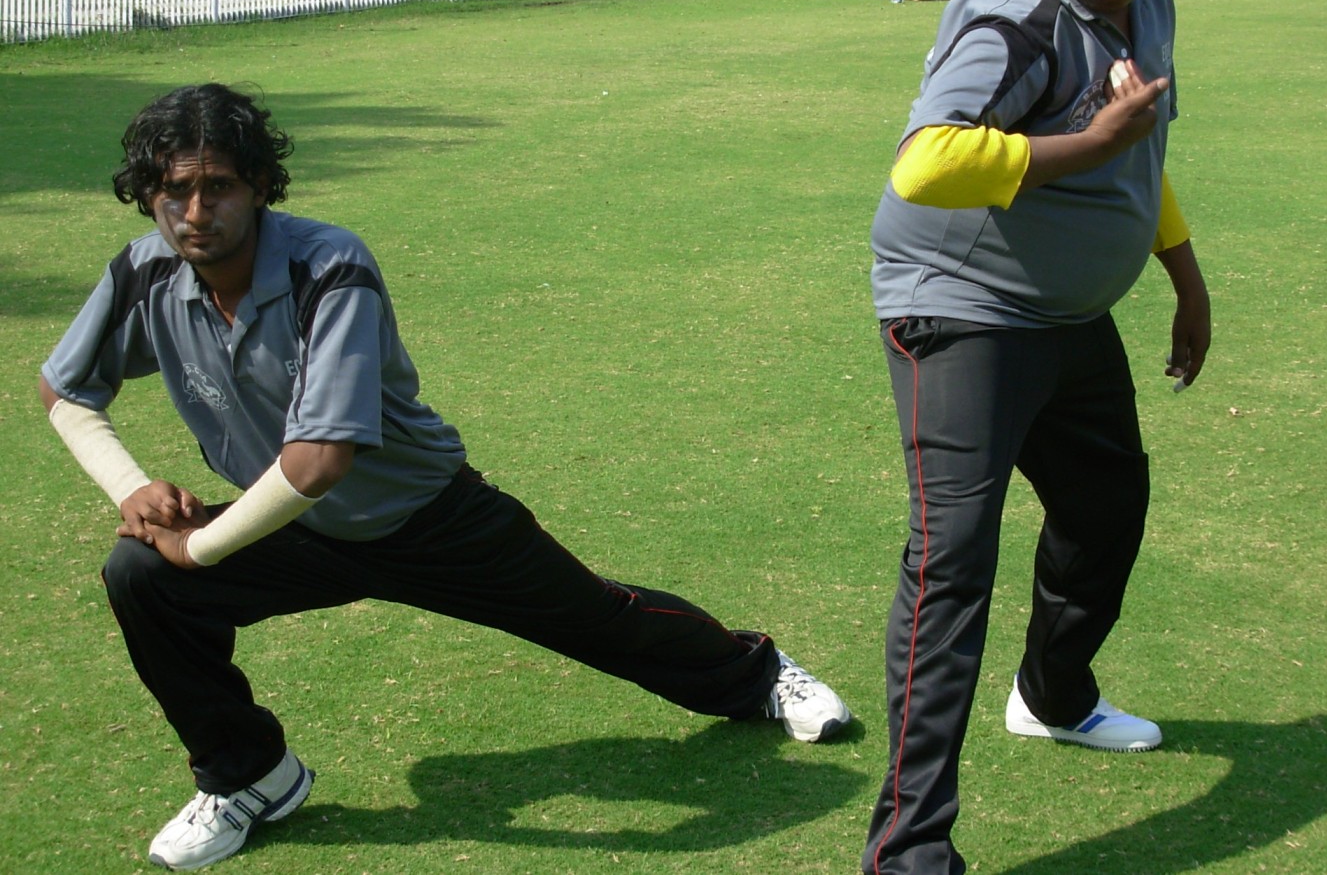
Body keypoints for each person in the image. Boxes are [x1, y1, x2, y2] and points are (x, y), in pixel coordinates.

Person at [39, 82, 851, 872]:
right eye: (173, 189)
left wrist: (200, 548)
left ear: (258, 186)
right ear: (147, 194)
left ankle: (757, 673)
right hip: (287, 523)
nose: (193, 210)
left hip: (428, 516)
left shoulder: (326, 263)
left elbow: (322, 459)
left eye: (217, 186)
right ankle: (249, 776)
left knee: (597, 617)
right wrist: (131, 488)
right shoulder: (145, 273)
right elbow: (64, 390)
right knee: (140, 573)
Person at [861, 0, 1210, 875]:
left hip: (1064, 318)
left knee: (1106, 510)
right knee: (952, 562)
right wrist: (1087, 143)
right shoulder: (1009, 16)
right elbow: (924, 163)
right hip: (957, 308)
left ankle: (1052, 694)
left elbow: (1138, 159)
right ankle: (908, 851)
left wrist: (1183, 275)